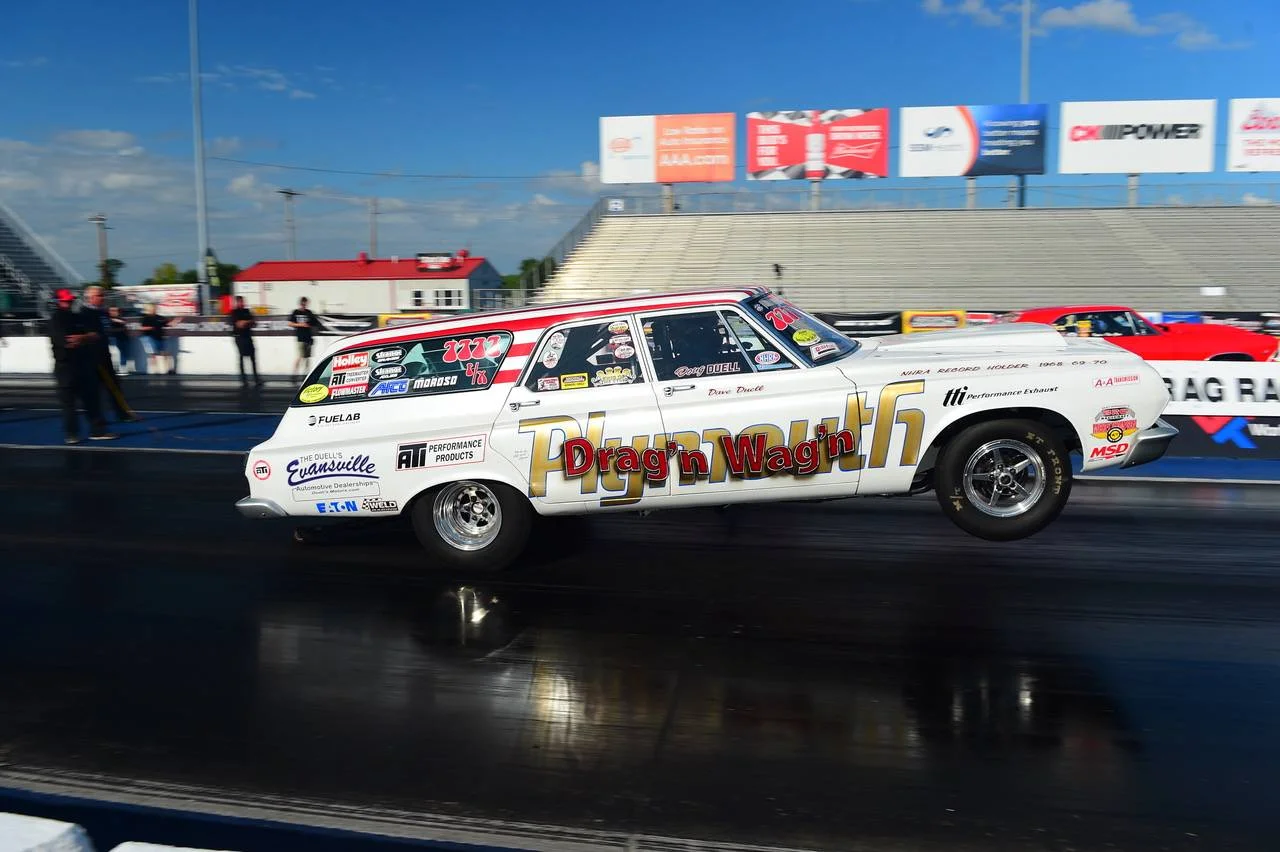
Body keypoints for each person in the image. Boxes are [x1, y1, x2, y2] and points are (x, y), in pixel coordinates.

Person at [48, 288, 116, 444]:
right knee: (69, 403)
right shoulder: (55, 320)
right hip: (66, 367)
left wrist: (83, 337)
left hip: (83, 364)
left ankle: (98, 430)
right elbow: (66, 342)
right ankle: (71, 434)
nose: (69, 302)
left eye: (70, 300)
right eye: (65, 300)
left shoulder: (77, 317)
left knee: (92, 399)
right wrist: (84, 338)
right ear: (58, 302)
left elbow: (96, 335)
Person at [79, 286, 140, 422]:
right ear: (91, 298)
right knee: (94, 389)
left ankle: (122, 413)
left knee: (114, 385)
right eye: (100, 296)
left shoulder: (103, 312)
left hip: (105, 353)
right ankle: (96, 418)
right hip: (92, 357)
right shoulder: (84, 313)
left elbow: (107, 329)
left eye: (103, 295)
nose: (103, 298)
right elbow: (88, 335)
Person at [226, 295, 262, 387]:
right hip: (239, 337)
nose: (242, 303)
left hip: (248, 336)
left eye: (243, 301)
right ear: (237, 302)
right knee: (242, 357)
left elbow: (254, 323)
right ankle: (244, 380)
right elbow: (239, 325)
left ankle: (256, 379)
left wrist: (246, 322)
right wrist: (247, 322)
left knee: (253, 358)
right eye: (241, 302)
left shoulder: (247, 311)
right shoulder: (234, 312)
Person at [288, 296, 321, 380]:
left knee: (307, 357)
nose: (304, 305)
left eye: (305, 304)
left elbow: (315, 323)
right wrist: (301, 324)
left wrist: (311, 324)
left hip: (308, 337)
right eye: (303, 303)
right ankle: (294, 374)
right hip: (300, 337)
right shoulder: (295, 312)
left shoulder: (309, 313)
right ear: (300, 303)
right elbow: (290, 323)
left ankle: (306, 374)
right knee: (300, 356)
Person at [139, 303, 176, 374]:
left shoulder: (160, 317)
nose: (153, 309)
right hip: (150, 338)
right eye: (151, 308)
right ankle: (155, 370)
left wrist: (176, 320)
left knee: (165, 353)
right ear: (149, 309)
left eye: (154, 308)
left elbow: (169, 324)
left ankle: (169, 369)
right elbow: (142, 328)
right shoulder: (145, 318)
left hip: (160, 338)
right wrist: (151, 327)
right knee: (153, 354)